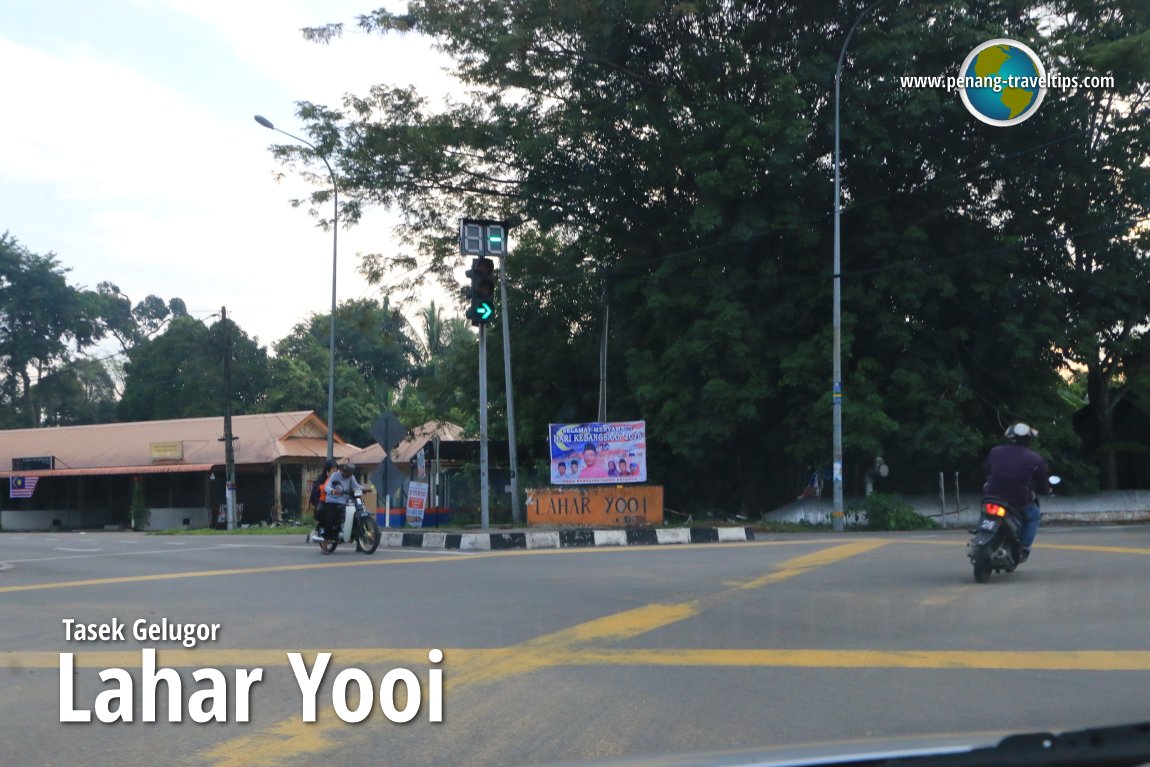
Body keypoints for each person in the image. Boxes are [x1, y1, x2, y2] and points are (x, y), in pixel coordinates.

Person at [983, 423, 1052, 562]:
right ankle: (1023, 548)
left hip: (992, 495)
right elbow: (1043, 483)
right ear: (1028, 440)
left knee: (985, 512)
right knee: (1033, 516)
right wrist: (1048, 490)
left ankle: (981, 531)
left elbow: (985, 469)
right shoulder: (1035, 458)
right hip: (1019, 500)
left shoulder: (995, 451)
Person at [320, 462, 363, 543]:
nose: (348, 475)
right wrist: (333, 491)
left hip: (344, 501)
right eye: (347, 472)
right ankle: (325, 542)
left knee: (354, 516)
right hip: (332, 501)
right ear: (343, 470)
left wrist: (364, 489)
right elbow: (327, 486)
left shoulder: (351, 477)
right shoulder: (335, 475)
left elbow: (356, 486)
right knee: (330, 519)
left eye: (350, 473)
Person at [309, 458, 337, 539]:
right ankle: (322, 533)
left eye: (336, 470)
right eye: (333, 471)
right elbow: (322, 490)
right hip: (324, 501)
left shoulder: (339, 478)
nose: (335, 473)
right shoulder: (322, 480)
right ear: (327, 471)